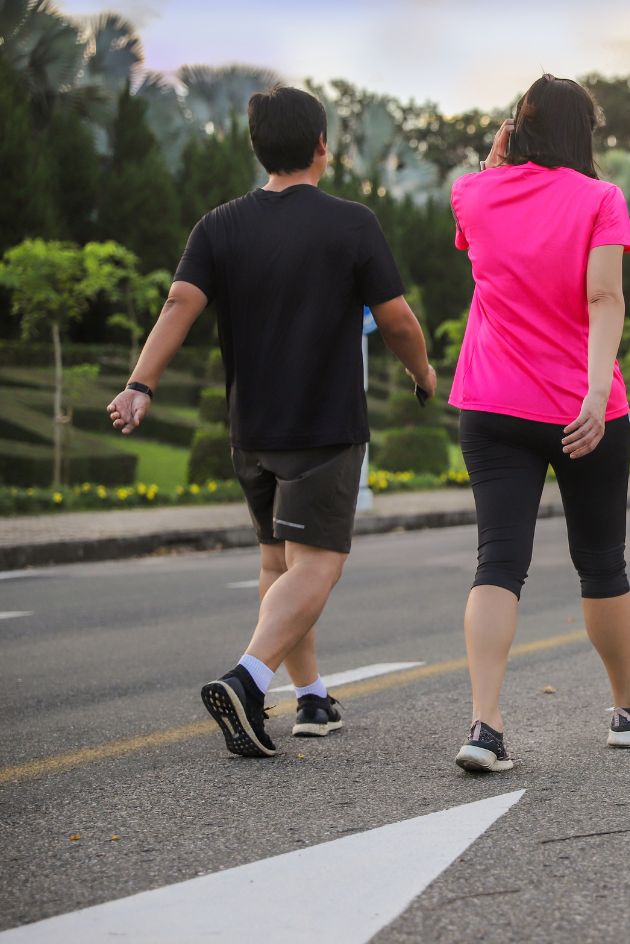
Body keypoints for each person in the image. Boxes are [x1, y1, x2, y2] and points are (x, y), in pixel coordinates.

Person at [107, 86, 437, 758]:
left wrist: (141, 382)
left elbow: (179, 303)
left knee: (278, 562)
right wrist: (423, 374)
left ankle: (312, 696)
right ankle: (250, 678)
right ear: (322, 148)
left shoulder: (219, 224)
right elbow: (398, 319)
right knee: (318, 565)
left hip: (251, 431)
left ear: (258, 148)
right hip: (323, 427)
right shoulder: (352, 224)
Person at [447, 75, 630, 772]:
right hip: (582, 411)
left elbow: (480, 217)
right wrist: (594, 390)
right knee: (601, 563)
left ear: (516, 129)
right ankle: (629, 708)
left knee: (498, 562)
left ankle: (485, 726)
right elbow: (604, 297)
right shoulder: (601, 200)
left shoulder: (472, 193)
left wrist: (495, 161)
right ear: (585, 134)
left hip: (490, 404)